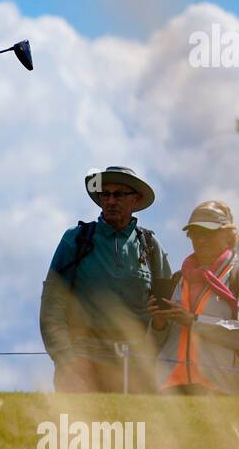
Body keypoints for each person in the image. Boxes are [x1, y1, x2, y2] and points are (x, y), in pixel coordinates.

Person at [40, 166, 172, 393]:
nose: (110, 201)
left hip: (134, 369)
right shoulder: (76, 239)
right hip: (81, 362)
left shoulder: (151, 248)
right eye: (105, 194)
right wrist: (66, 360)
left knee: (131, 430)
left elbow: (166, 316)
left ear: (135, 199)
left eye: (119, 194)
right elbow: (52, 305)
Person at [150, 201, 239, 396]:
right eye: (195, 233)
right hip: (171, 390)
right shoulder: (177, 280)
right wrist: (158, 325)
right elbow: (155, 343)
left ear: (228, 235)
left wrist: (194, 321)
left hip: (223, 392)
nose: (201, 240)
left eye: (208, 233)